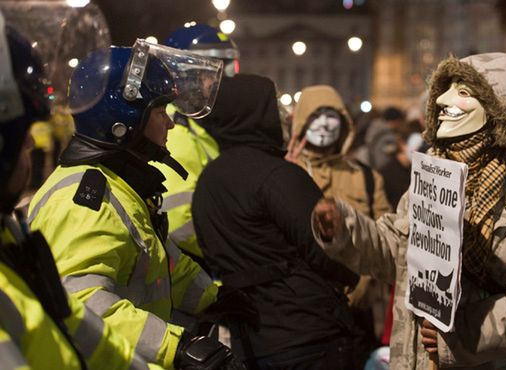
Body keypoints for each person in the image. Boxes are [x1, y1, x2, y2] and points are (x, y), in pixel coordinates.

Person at [312, 53, 506, 369]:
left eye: (464, 93)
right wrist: (345, 228)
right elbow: (400, 250)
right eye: (446, 89)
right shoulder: (438, 174)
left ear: (500, 109)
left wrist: (455, 335)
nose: (443, 100)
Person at [27, 40, 243, 370]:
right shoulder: (87, 201)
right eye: (161, 112)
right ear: (124, 123)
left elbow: (164, 266)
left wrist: (220, 298)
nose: (171, 123)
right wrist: (177, 347)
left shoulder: (120, 185)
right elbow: (82, 304)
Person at [0, 3, 166, 369]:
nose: (31, 143)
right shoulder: (84, 198)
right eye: (23, 132)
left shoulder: (10, 241)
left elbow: (78, 328)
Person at [192, 74, 363, 370]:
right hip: (307, 332)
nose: (281, 115)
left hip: (250, 336)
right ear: (259, 114)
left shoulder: (209, 179)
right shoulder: (278, 176)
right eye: (273, 106)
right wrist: (353, 272)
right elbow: (324, 247)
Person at [286, 85, 390, 360]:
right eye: (315, 114)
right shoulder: (285, 174)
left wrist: (364, 284)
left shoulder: (367, 177)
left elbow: (385, 237)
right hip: (304, 315)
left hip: (359, 312)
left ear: (344, 123)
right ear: (301, 121)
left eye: (331, 115)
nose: (323, 123)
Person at [153, 24, 239, 262]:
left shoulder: (199, 124)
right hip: (195, 267)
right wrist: (234, 253)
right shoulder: (174, 130)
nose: (220, 83)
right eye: (210, 73)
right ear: (184, 76)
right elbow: (178, 218)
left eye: (225, 71)